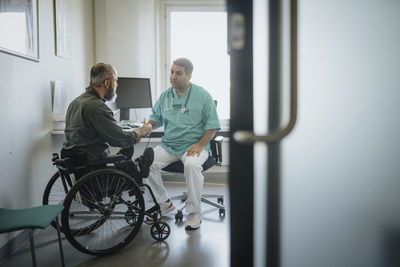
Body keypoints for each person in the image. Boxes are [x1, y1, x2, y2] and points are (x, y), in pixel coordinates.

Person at [146, 58, 220, 230]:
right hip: (170, 146)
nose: (173, 76)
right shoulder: (166, 95)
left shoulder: (202, 95)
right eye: (172, 72)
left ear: (188, 75)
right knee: (146, 162)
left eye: (178, 73)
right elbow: (155, 118)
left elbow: (213, 126)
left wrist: (201, 145)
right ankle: (164, 204)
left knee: (192, 165)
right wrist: (147, 126)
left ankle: (194, 213)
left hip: (194, 146)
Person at [62, 62, 154, 180]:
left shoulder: (76, 102)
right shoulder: (96, 106)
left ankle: (133, 164)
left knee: (127, 148)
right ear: (107, 83)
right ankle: (138, 167)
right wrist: (141, 131)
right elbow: (118, 139)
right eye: (115, 80)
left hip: (77, 165)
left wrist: (133, 135)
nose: (116, 85)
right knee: (126, 147)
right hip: (94, 172)